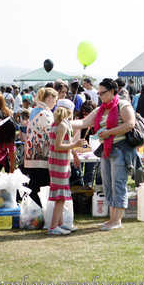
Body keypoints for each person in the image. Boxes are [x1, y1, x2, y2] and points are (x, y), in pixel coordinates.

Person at [72, 79, 136, 231]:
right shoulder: (100, 109)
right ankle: (112, 219)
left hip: (120, 150)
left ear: (113, 91)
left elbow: (130, 124)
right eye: (99, 93)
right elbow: (83, 123)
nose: (99, 95)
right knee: (107, 185)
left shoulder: (123, 105)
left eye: (103, 93)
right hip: (106, 151)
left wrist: (109, 132)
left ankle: (117, 220)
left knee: (118, 184)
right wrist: (62, 122)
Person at [48, 99, 85, 235]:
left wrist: (74, 154)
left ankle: (60, 223)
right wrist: (76, 145)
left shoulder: (59, 124)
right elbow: (58, 146)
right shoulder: (63, 125)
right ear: (69, 111)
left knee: (61, 195)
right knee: (60, 196)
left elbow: (66, 142)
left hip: (60, 162)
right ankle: (53, 226)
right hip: (58, 163)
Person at [24, 87, 59, 208]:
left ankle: (33, 213)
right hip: (40, 157)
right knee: (40, 187)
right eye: (55, 100)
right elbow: (52, 132)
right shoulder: (44, 113)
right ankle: (39, 213)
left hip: (32, 155)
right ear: (49, 98)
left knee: (34, 185)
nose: (55, 103)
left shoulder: (36, 110)